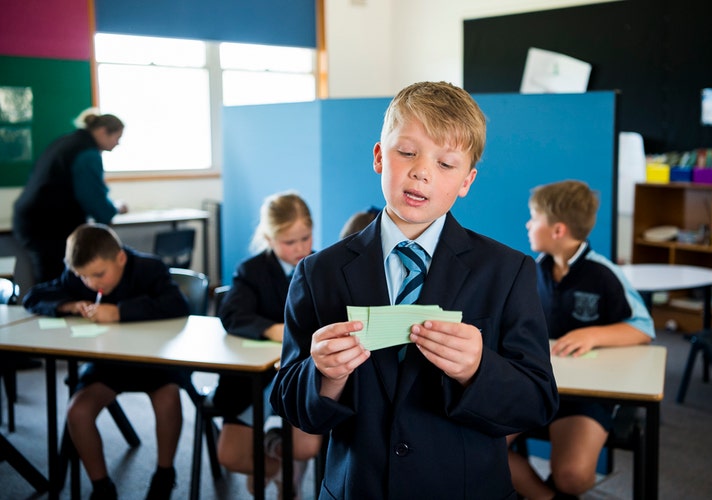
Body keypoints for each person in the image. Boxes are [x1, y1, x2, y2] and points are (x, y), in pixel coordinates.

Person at [269, 81, 558, 499]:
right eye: (407, 152)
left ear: (466, 181)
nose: (422, 171)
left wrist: (477, 369)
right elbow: (290, 403)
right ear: (379, 157)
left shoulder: (507, 272)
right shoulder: (319, 272)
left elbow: (537, 401)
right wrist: (324, 375)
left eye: (446, 164)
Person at [506, 179, 655, 499]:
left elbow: (643, 328)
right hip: (535, 385)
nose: (528, 224)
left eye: (534, 218)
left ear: (558, 230)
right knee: (477, 448)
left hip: (583, 396)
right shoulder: (532, 270)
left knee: (572, 476)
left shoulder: (604, 273)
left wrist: (592, 334)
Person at [23, 223, 189, 500]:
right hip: (108, 365)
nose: (91, 284)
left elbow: (176, 304)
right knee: (78, 411)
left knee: (169, 400)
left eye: (98, 275)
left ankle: (164, 474)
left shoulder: (149, 268)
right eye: (83, 277)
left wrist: (120, 312)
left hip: (155, 363)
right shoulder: (79, 277)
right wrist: (68, 305)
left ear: (120, 258)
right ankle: (102, 486)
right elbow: (34, 297)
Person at [214, 191, 322, 498]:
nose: (300, 248)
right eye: (289, 242)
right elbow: (232, 314)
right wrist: (273, 329)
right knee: (232, 456)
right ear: (269, 238)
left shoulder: (322, 265)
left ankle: (279, 445)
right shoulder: (252, 271)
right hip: (254, 380)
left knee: (305, 446)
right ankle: (277, 466)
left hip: (302, 374)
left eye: (305, 237)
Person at [13, 108, 128, 285]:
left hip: (33, 220)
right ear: (102, 131)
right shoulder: (87, 153)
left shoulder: (68, 141)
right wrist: (114, 209)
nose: (118, 144)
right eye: (117, 138)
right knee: (56, 283)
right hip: (47, 225)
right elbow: (95, 201)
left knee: (52, 278)